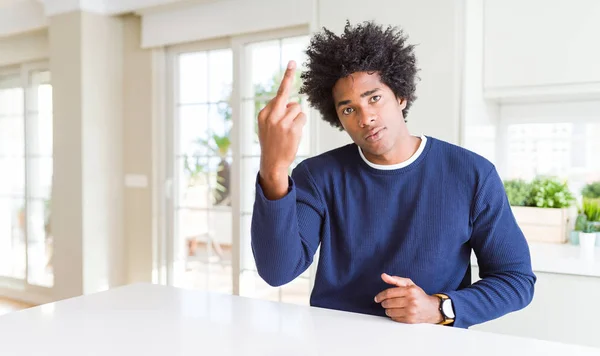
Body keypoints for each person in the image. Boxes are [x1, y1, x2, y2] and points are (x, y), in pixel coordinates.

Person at [250, 21, 536, 328]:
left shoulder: (472, 173)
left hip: (430, 343)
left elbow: (516, 279)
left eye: (374, 98)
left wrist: (440, 308)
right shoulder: (319, 176)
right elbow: (277, 271)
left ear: (400, 96)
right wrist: (274, 169)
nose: (366, 117)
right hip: (335, 340)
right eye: (348, 109)